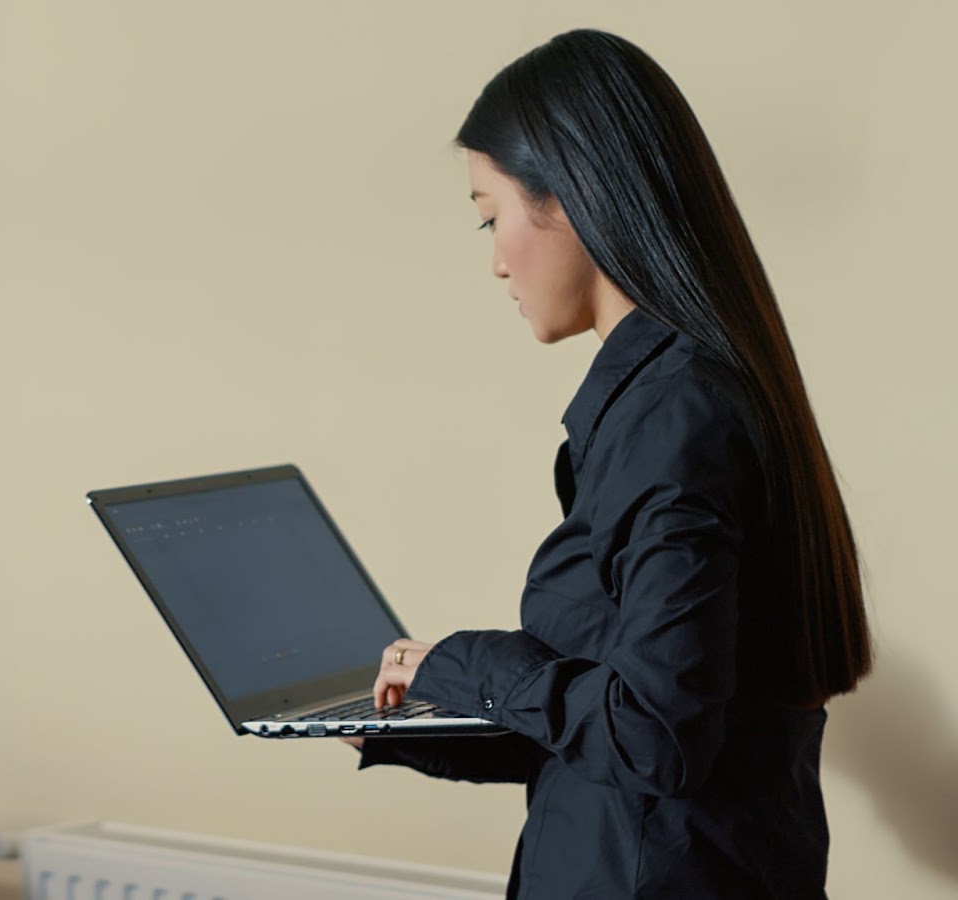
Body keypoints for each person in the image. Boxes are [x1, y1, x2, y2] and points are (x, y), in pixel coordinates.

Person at [348, 29, 873, 899]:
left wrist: (464, 661)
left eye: (491, 215)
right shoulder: (694, 394)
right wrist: (404, 723)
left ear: (574, 197)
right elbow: (617, 719)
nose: (494, 261)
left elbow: (653, 739)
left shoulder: (674, 420)